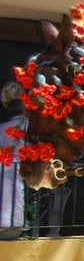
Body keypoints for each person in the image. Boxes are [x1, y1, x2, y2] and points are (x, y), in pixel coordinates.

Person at [1, 81, 26, 239]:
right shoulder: (29, 125)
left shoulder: (2, 127)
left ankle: (9, 223)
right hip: (20, 166)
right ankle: (13, 224)